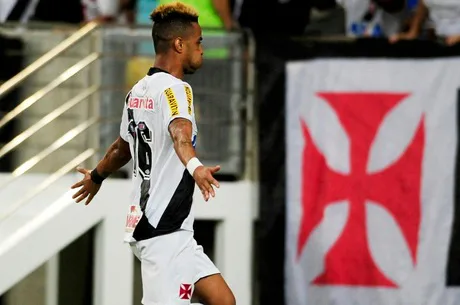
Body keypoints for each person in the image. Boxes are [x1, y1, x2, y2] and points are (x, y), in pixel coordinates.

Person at [70, 2, 236, 305]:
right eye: (198, 42)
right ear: (179, 44)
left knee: (223, 301)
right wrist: (196, 167)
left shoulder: (139, 90)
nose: (202, 49)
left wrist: (96, 176)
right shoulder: (177, 90)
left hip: (167, 229)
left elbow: (122, 148)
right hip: (164, 232)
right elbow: (180, 135)